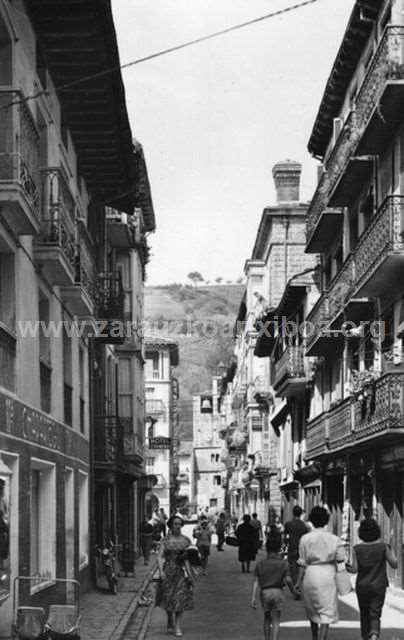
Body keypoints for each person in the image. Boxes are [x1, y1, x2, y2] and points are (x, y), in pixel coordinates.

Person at [296, 506, 346, 640]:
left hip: (311, 574)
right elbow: (341, 559)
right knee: (326, 611)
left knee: (312, 610)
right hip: (328, 574)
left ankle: (314, 636)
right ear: (326, 521)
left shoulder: (305, 539)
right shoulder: (334, 539)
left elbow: (302, 562)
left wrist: (298, 582)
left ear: (311, 520)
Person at [348, 518, 398, 640]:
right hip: (379, 585)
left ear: (361, 533)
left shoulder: (356, 549)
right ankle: (374, 635)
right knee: (375, 613)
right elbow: (395, 564)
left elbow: (354, 569)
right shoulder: (384, 547)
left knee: (364, 613)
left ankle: (365, 636)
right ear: (377, 531)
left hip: (362, 586)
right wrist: (391, 549)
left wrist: (346, 567)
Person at [251, 533, 297, 640]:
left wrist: (253, 598)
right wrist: (294, 591)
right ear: (278, 549)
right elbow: (288, 580)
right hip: (278, 592)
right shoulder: (283, 564)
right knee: (276, 620)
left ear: (267, 549)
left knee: (267, 618)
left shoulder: (261, 564)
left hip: (265, 592)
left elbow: (256, 581)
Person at [157, 515, 195, 637]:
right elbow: (160, 556)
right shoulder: (165, 541)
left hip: (182, 572)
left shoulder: (186, 540)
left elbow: (191, 557)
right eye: (175, 524)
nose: (177, 526)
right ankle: (169, 618)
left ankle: (177, 625)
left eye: (179, 524)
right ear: (170, 526)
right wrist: (161, 572)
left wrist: (191, 574)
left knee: (180, 598)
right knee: (169, 598)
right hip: (169, 571)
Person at [284, 506, 309, 587]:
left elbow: (285, 537)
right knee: (300, 568)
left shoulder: (288, 524)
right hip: (301, 549)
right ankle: (298, 584)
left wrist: (285, 545)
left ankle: (295, 585)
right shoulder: (304, 526)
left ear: (293, 513)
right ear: (301, 513)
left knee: (293, 569)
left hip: (292, 548)